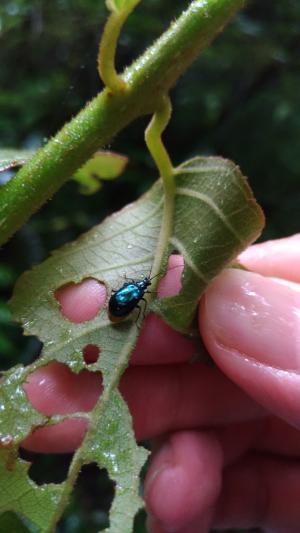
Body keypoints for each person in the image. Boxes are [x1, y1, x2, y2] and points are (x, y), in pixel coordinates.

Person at [23, 235, 300, 533]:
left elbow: (127, 300)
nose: (143, 288)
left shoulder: (137, 292)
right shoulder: (138, 292)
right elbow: (129, 300)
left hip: (120, 306)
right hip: (121, 306)